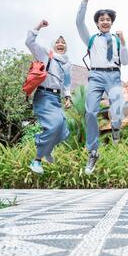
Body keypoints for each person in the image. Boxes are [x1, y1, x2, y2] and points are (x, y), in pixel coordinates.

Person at [76, 0, 128, 174]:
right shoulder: (91, 39)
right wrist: (85, 0)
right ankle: (93, 152)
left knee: (118, 108)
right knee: (90, 112)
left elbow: (126, 61)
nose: (105, 21)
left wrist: (123, 44)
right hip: (96, 76)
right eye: (102, 19)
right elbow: (78, 22)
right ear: (97, 23)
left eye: (108, 19)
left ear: (111, 22)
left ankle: (116, 128)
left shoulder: (116, 40)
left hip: (114, 75)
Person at [25, 20, 73, 175]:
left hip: (56, 98)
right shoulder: (46, 54)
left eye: (63, 42)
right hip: (43, 95)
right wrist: (38, 26)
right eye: (58, 42)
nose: (60, 44)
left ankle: (47, 150)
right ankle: (37, 160)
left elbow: (66, 82)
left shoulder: (67, 63)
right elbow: (29, 42)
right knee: (54, 125)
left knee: (63, 130)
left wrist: (67, 97)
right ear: (53, 45)